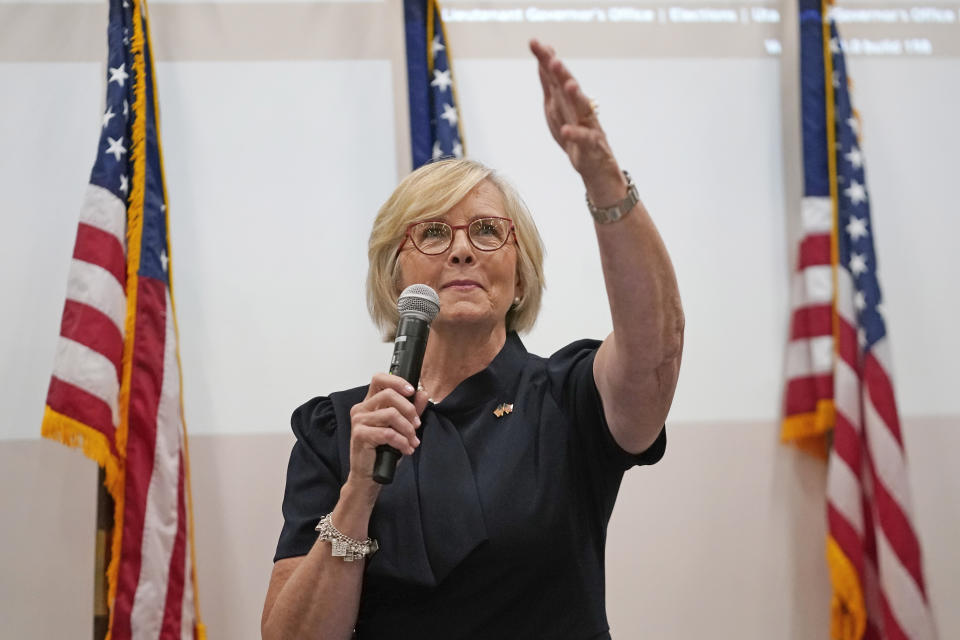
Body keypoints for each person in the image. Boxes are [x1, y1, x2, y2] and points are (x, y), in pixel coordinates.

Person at [261, 39, 684, 639]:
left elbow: (655, 348)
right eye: (432, 233)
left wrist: (604, 180)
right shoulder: (339, 429)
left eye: (487, 231)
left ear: (519, 275)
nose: (461, 247)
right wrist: (357, 493)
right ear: (394, 272)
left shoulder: (569, 399)